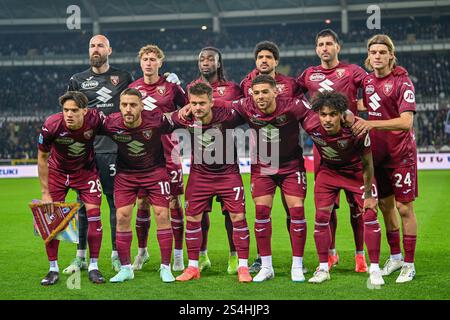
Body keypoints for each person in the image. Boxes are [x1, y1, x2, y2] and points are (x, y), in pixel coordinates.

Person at [297, 29, 369, 272]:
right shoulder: (308, 74)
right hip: (323, 148)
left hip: (351, 144)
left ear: (338, 47)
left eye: (329, 43)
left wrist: (357, 108)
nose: (324, 48)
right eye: (320, 44)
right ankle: (331, 253)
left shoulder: (352, 71)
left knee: (357, 207)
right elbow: (291, 95)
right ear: (316, 49)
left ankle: (360, 255)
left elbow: (373, 90)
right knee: (326, 207)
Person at [351, 34, 418, 283]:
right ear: (368, 57)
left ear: (391, 54)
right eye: (373, 52)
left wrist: (371, 123)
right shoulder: (367, 82)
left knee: (404, 208)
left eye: (382, 52)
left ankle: (409, 265)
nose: (377, 56)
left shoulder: (402, 82)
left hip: (401, 155)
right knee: (385, 207)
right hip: (376, 157)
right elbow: (363, 104)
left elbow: (406, 121)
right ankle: (396, 257)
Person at [65, 34, 134, 274]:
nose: (96, 49)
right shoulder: (77, 80)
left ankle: (116, 255)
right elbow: (68, 117)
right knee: (82, 206)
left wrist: (166, 79)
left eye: (100, 45)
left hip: (114, 150)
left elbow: (137, 102)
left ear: (109, 50)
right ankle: (80, 257)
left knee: (115, 204)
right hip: (85, 154)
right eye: (92, 45)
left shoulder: (124, 77)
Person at [172, 82, 252, 283]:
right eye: (194, 103)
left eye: (202, 103)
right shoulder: (184, 118)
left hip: (228, 174)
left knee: (238, 217)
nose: (197, 108)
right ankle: (193, 267)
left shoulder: (228, 115)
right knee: (192, 219)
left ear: (211, 102)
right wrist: (180, 111)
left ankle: (243, 266)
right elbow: (164, 120)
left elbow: (249, 108)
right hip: (200, 175)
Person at [301, 91, 383, 286]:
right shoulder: (311, 125)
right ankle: (323, 268)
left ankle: (375, 269)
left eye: (332, 114)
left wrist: (370, 194)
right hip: (328, 173)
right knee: (321, 219)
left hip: (356, 173)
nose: (327, 119)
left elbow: (368, 164)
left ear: (340, 114)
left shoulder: (356, 130)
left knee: (370, 214)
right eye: (323, 114)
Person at [240, 41, 305, 274]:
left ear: (276, 61)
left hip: (288, 156)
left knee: (294, 210)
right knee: (261, 211)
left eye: (268, 57)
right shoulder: (246, 83)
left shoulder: (291, 85)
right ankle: (261, 258)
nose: (264, 61)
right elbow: (238, 109)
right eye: (260, 57)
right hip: (262, 160)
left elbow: (306, 112)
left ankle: (298, 260)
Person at [100, 88, 175, 283]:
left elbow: (180, 120)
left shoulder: (156, 120)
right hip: (126, 175)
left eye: (133, 105)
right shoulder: (111, 123)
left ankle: (166, 267)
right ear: (119, 106)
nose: (128, 109)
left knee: (162, 215)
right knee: (122, 216)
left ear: (141, 106)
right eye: (124, 105)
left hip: (155, 172)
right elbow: (88, 123)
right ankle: (126, 269)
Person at [128, 44, 188, 272]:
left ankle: (179, 255)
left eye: (153, 59)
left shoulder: (171, 87)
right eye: (145, 59)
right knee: (142, 202)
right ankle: (142, 252)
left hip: (169, 153)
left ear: (160, 62)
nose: (149, 63)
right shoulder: (133, 89)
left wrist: (170, 117)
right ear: (140, 62)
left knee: (174, 202)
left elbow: (190, 109)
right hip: (143, 156)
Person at [186, 47, 244, 274]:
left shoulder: (233, 89)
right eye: (202, 58)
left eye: (211, 59)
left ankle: (234, 256)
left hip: (227, 160)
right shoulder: (190, 88)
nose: (206, 62)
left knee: (232, 213)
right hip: (200, 161)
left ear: (219, 63)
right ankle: (201, 256)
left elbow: (241, 115)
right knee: (199, 213)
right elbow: (184, 113)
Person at [37, 91, 105, 285]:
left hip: (86, 172)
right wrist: (45, 193)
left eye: (74, 110)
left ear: (85, 110)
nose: (69, 114)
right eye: (66, 110)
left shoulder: (95, 118)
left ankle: (93, 266)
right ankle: (53, 269)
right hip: (57, 173)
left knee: (94, 215)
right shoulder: (51, 125)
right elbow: (42, 158)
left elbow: (115, 128)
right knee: (52, 221)